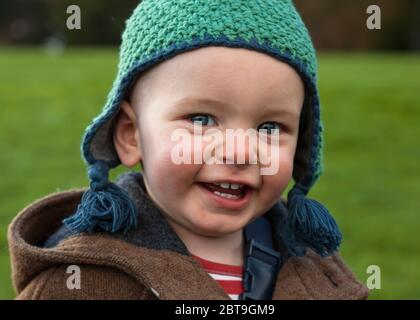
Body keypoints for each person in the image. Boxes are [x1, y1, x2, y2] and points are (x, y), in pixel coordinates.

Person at [8, 0, 368, 300]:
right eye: (201, 120)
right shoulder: (83, 281)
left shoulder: (311, 262)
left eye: (269, 128)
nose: (240, 152)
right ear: (132, 135)